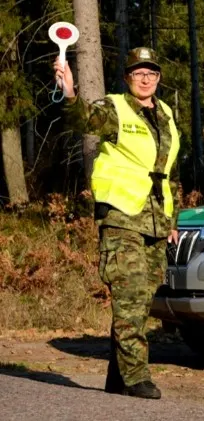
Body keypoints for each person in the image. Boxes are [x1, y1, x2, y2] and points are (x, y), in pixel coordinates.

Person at [54, 47, 181, 400]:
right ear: (127, 77)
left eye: (151, 72)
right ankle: (137, 377)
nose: (145, 78)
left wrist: (173, 218)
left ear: (158, 78)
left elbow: (171, 173)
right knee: (128, 299)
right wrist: (69, 91)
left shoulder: (167, 114)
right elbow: (82, 121)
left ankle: (118, 374)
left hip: (156, 222)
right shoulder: (115, 108)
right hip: (122, 218)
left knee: (142, 302)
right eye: (138, 72)